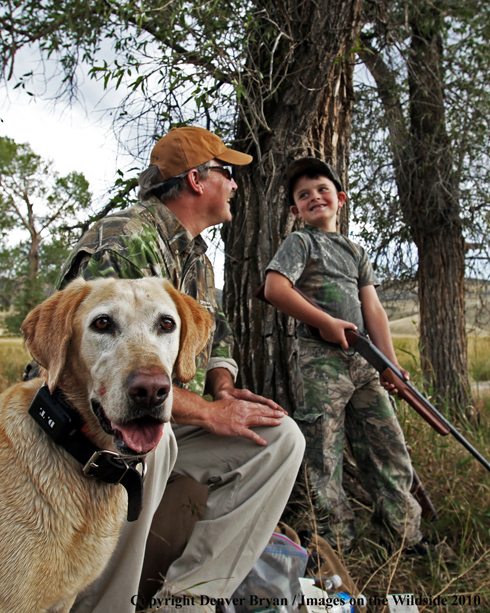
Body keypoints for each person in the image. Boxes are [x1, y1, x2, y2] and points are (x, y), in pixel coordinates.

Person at [57, 127, 305, 612]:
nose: (235, 185)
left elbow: (216, 334)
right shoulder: (125, 241)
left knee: (282, 439)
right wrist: (210, 415)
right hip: (83, 426)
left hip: (158, 412)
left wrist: (223, 389)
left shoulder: (197, 259)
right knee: (150, 432)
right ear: (196, 179)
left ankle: (187, 600)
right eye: (227, 174)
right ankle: (107, 606)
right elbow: (106, 377)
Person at [263, 156, 423, 553]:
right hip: (321, 361)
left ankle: (405, 536)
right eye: (304, 195)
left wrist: (388, 364)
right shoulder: (300, 242)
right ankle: (333, 544)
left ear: (341, 198)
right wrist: (326, 322)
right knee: (322, 453)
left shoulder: (355, 250)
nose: (315, 197)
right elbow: (275, 288)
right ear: (294, 209)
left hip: (364, 364)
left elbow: (374, 309)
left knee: (388, 446)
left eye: (322, 189)